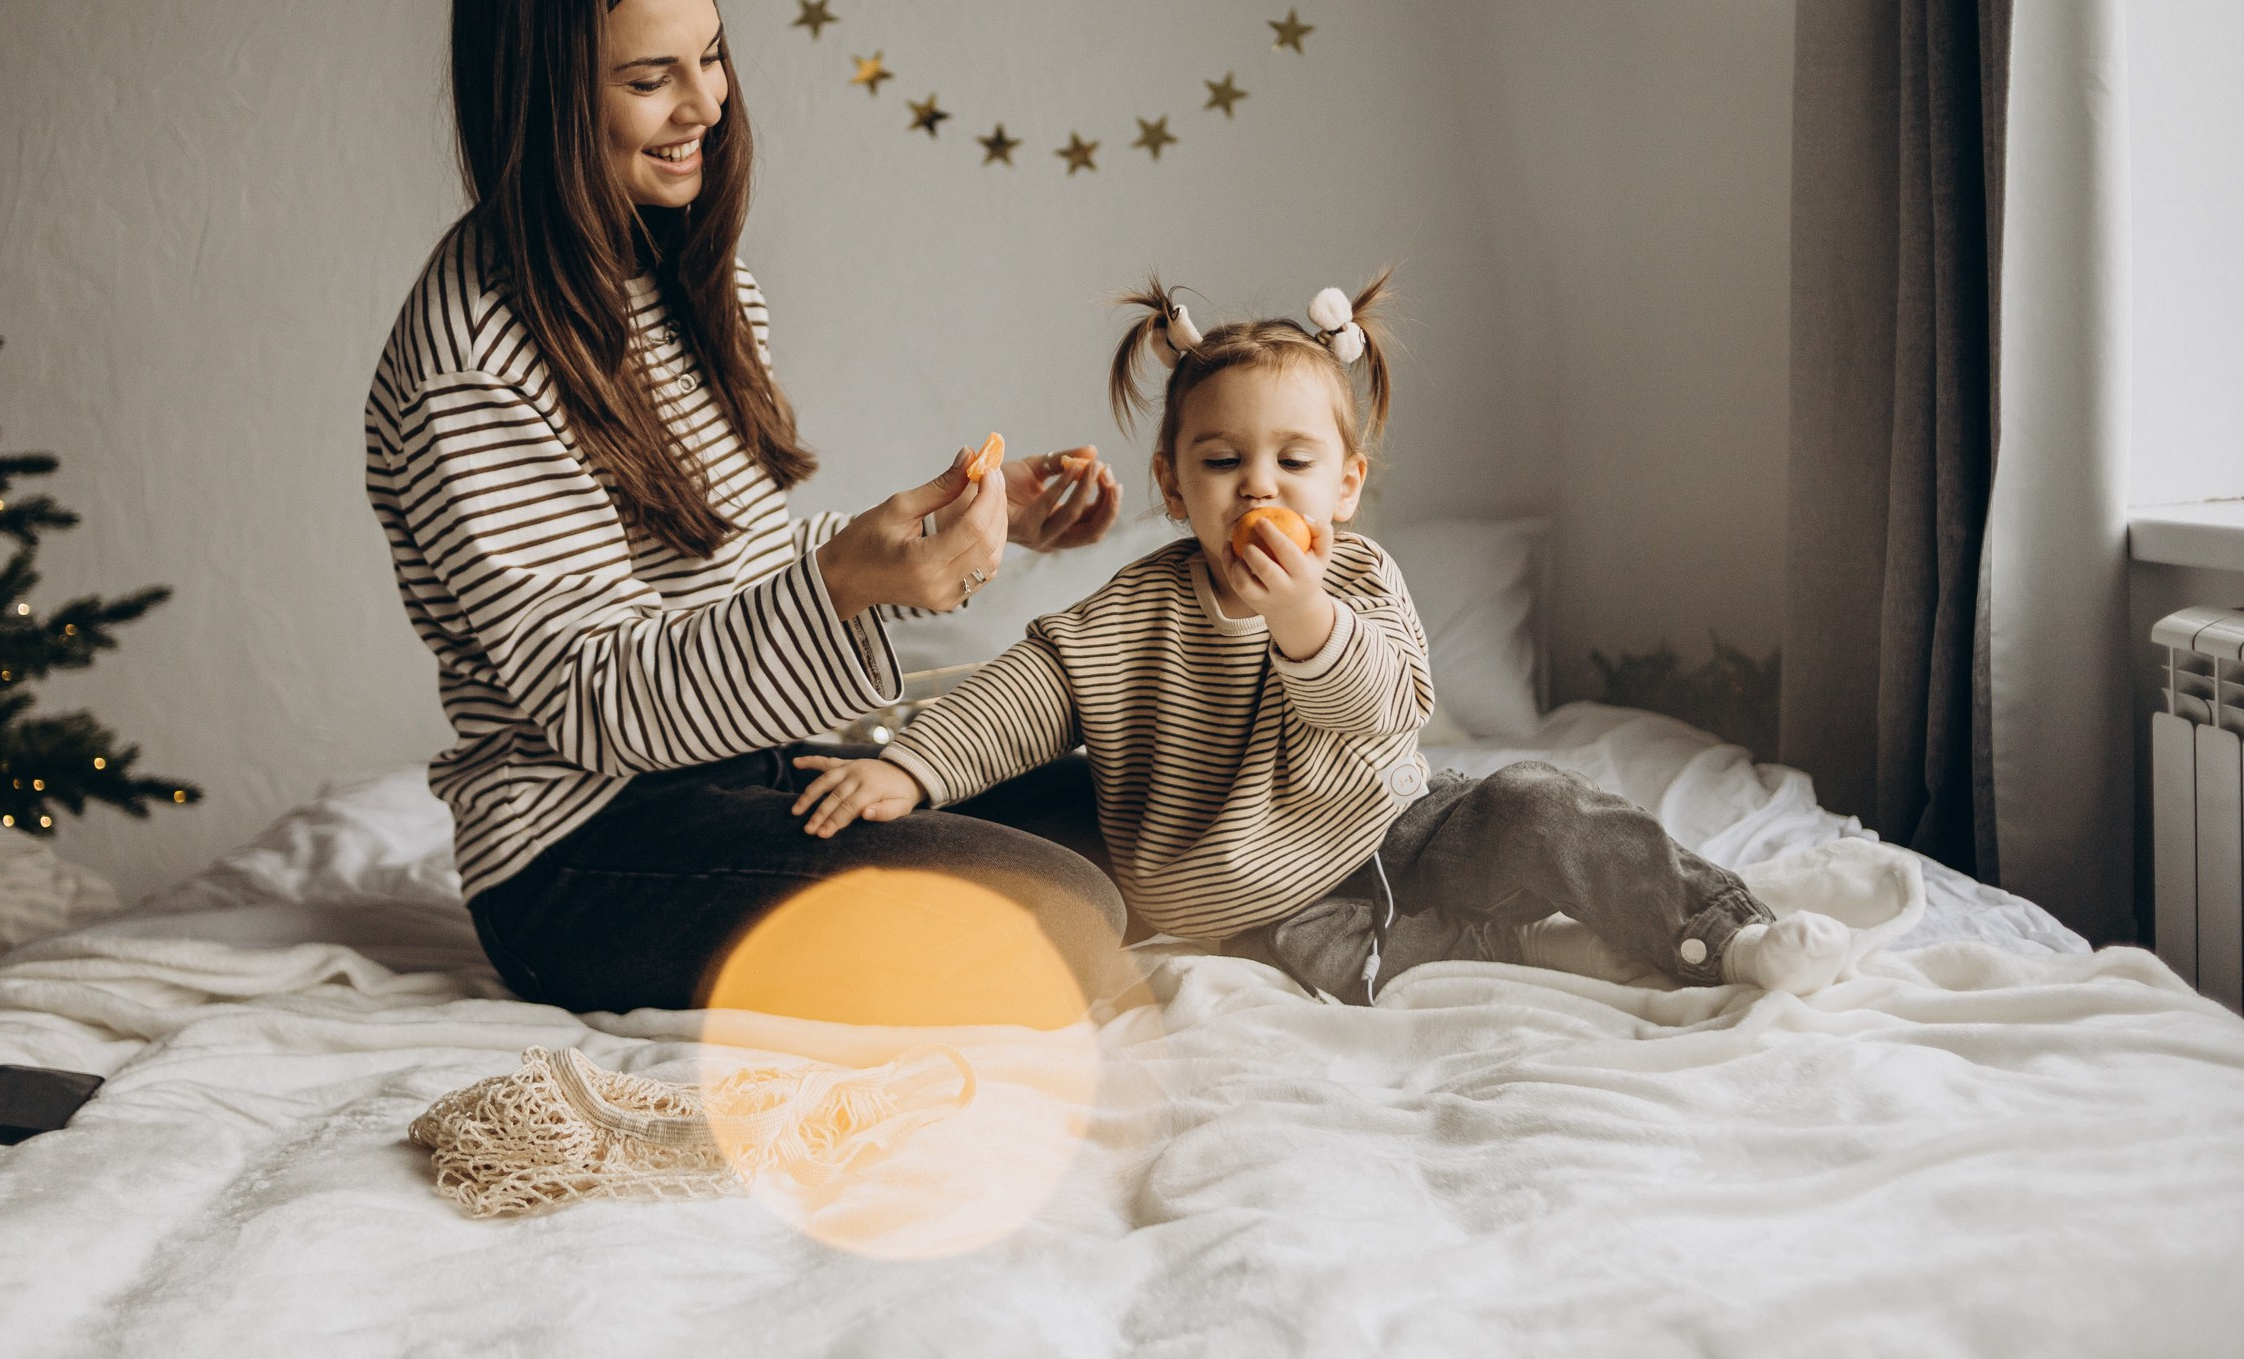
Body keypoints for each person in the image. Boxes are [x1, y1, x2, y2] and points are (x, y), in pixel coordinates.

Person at [364, 0, 1129, 1015]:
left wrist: (965, 523)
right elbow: (599, 699)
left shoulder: (677, 278)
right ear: (543, 95)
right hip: (584, 857)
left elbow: (728, 561)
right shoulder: (470, 362)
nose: (705, 105)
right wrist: (842, 585)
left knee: (1134, 805)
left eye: (711, 56)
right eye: (647, 78)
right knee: (1059, 913)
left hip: (749, 768)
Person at [792, 275, 1853, 1000]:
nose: (1257, 483)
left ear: (1344, 484)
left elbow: (1386, 703)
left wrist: (1303, 615)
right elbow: (1026, 695)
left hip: (1394, 827)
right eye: (1220, 461)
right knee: (1341, 962)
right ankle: (1556, 948)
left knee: (1542, 805)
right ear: (1172, 485)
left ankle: (1727, 927)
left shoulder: (1357, 577)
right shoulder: (1135, 611)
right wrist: (919, 770)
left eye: (1293, 459)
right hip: (1251, 894)